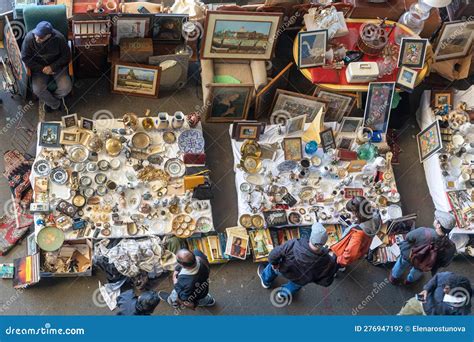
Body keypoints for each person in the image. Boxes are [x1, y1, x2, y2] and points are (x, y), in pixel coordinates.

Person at [257, 223, 338, 301]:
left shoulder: (294, 244)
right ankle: (282, 294)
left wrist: (275, 264)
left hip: (283, 270)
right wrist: (312, 278)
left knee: (271, 268)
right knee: (293, 286)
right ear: (324, 243)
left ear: (311, 237)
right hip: (300, 280)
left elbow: (273, 255)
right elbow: (326, 282)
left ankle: (266, 281)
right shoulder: (328, 261)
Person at [389, 210, 457, 286]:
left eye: (436, 218)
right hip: (424, 264)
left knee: (401, 264)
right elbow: (444, 263)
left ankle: (394, 278)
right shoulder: (451, 247)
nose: (434, 218)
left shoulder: (423, 231)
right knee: (417, 271)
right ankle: (409, 281)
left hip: (410, 256)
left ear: (438, 225)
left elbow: (408, 237)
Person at [21, 21, 72, 113]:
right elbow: (25, 57)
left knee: (66, 88)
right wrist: (42, 69)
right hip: (39, 68)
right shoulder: (29, 38)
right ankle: (56, 103)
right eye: (36, 35)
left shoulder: (59, 38)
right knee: (37, 90)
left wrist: (52, 67)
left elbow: (66, 56)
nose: (37, 39)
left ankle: (49, 101)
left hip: (57, 66)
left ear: (49, 36)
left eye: (40, 37)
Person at [331, 196, 381, 270]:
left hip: (344, 254)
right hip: (363, 245)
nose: (352, 214)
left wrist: (339, 260)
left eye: (353, 212)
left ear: (359, 213)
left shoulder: (358, 235)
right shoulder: (375, 214)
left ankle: (339, 268)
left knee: (335, 265)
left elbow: (350, 255)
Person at [398, 272, 472, 315]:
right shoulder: (448, 276)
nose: (444, 290)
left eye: (448, 291)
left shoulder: (464, 309)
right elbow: (436, 278)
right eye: (446, 287)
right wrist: (426, 289)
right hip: (420, 303)